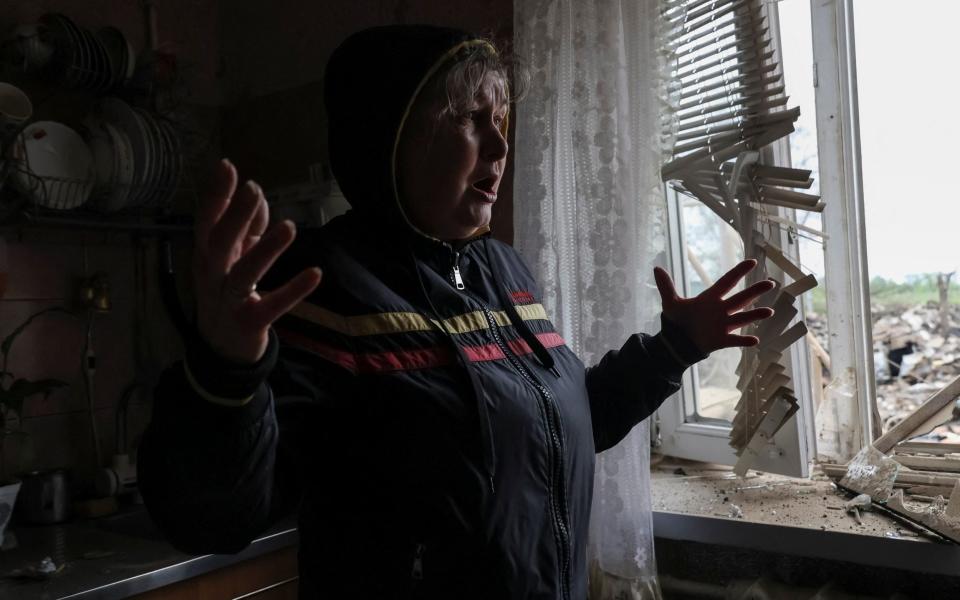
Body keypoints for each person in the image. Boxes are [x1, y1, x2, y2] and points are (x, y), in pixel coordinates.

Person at [138, 25, 774, 599]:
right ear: (387, 135)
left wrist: (670, 350)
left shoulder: (504, 271)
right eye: (472, 118)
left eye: (501, 118)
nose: (500, 146)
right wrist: (224, 374)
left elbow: (555, 431)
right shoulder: (321, 285)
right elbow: (215, 517)